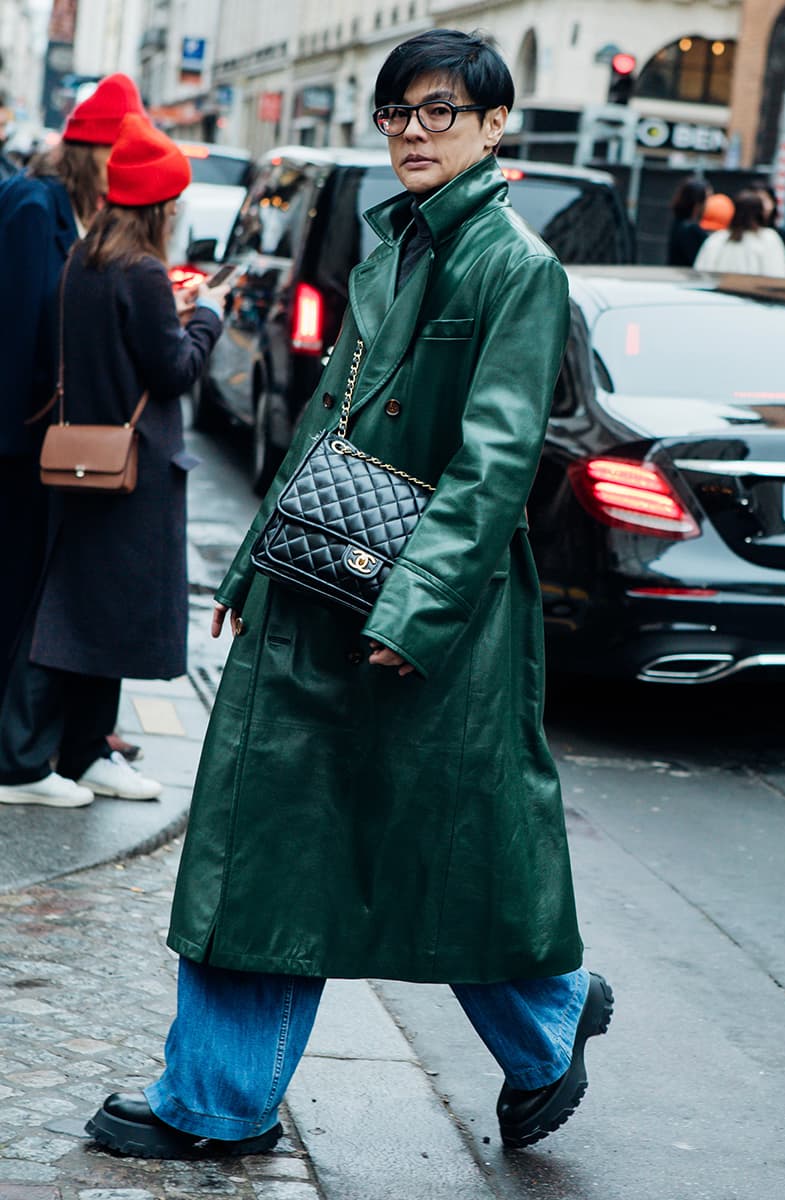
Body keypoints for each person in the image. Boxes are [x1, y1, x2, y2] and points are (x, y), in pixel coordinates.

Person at [86, 29, 613, 1160]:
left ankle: (544, 1022)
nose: (414, 131)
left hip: (418, 620)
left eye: (438, 111)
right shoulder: (404, 248)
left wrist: (412, 611)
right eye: (396, 114)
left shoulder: (511, 267)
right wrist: (253, 562)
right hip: (327, 585)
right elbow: (325, 427)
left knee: (422, 849)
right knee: (290, 841)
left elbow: (494, 461)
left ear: (491, 125)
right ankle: (224, 1096)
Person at [0, 114, 226, 809]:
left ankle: (81, 750)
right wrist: (208, 315)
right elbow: (172, 371)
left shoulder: (89, 259)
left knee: (83, 609)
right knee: (80, 616)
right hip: (133, 470)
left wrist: (175, 312)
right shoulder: (144, 270)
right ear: (159, 205)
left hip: (83, 456)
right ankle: (25, 763)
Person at [0, 74, 147, 710]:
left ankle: (45, 734)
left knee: (35, 581)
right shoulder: (36, 207)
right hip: (19, 437)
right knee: (14, 582)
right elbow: (16, 329)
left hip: (48, 435)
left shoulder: (76, 212)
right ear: (96, 155)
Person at [694, 189, 785, 277]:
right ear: (760, 213)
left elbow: (700, 275)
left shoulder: (716, 239)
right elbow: (779, 276)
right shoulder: (769, 239)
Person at [667, 176, 710, 265]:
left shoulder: (678, 223)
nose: (708, 204)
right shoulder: (690, 230)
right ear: (698, 203)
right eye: (706, 199)